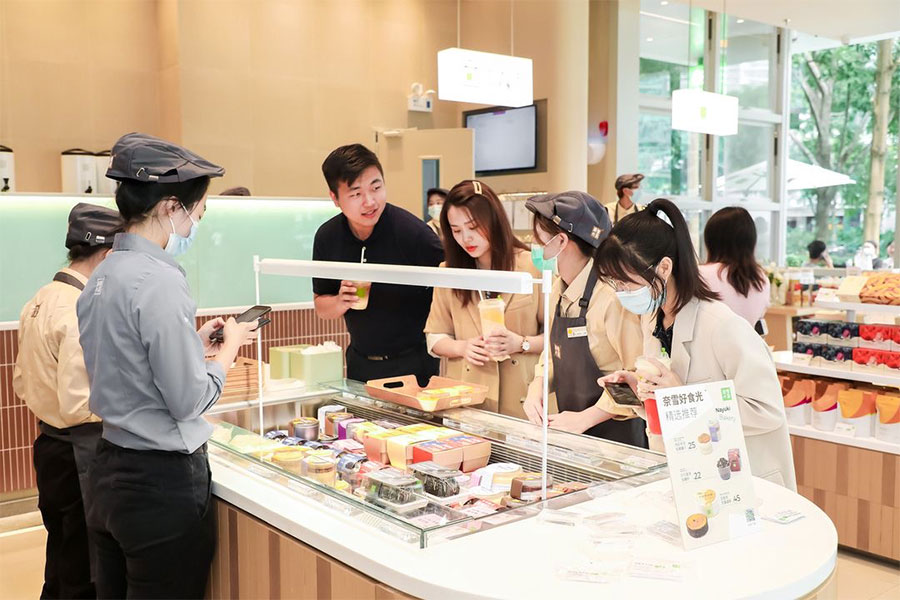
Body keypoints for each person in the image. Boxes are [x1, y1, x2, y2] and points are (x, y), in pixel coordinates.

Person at [77, 133, 259, 598]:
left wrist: (192, 344)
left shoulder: (103, 274)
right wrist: (228, 351)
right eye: (198, 214)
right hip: (158, 485)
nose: (194, 226)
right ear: (170, 207)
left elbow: (127, 361)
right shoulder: (158, 278)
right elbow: (187, 400)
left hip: (108, 472)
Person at [596, 198, 797, 490]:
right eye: (615, 284)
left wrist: (684, 397)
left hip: (742, 482)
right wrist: (641, 392)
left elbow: (767, 410)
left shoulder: (721, 325)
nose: (622, 293)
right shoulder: (653, 320)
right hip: (691, 476)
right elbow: (672, 398)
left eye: (627, 283)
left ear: (664, 267)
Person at [13, 203, 122, 600]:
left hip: (49, 448)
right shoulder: (80, 308)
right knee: (84, 573)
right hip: (80, 455)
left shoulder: (39, 298)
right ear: (107, 256)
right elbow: (79, 406)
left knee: (59, 556)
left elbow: (21, 382)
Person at [521, 192, 647, 447]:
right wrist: (538, 385)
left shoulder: (612, 296)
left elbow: (638, 376)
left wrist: (587, 418)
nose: (534, 248)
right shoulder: (557, 289)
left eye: (537, 241)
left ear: (561, 241)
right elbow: (552, 353)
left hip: (618, 440)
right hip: (574, 434)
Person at [313, 144, 444, 386]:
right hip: (359, 362)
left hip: (413, 365)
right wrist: (341, 301)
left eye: (376, 188)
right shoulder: (327, 237)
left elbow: (452, 288)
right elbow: (322, 307)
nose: (370, 202)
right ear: (335, 198)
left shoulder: (413, 233)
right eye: (356, 194)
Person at [424, 180, 543, 418]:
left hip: (524, 399)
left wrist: (521, 343)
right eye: (456, 230)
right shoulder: (449, 271)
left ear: (494, 221)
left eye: (473, 227)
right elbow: (435, 337)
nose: (466, 238)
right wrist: (462, 347)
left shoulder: (532, 265)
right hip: (467, 398)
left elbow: (556, 339)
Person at [699, 206, 770, 327]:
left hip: (705, 339)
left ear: (711, 241)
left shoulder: (700, 274)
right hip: (745, 339)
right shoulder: (761, 279)